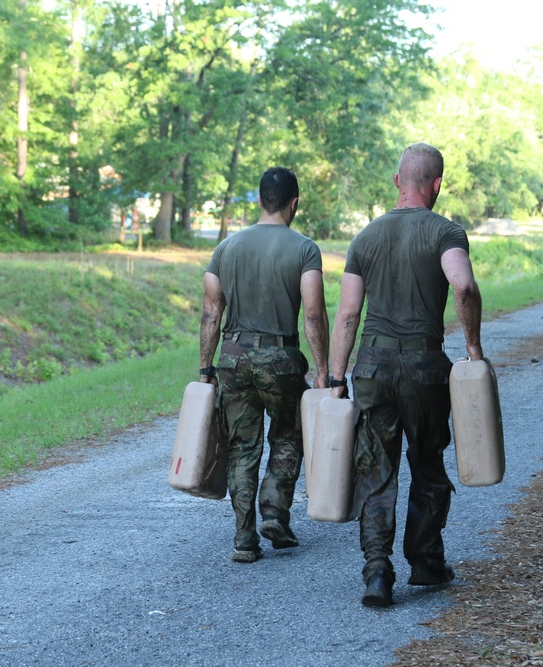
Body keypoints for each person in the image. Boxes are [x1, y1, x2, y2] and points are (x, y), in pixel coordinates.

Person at [329, 143, 483, 607]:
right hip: (425, 368)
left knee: (375, 469)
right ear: (436, 185)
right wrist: (473, 348)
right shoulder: (446, 232)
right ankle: (424, 561)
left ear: (398, 181)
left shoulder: (366, 236)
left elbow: (348, 315)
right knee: (428, 464)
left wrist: (337, 376)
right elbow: (465, 285)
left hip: (373, 367)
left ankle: (377, 571)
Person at [199, 166, 330, 563]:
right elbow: (313, 313)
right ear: (294, 203)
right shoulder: (304, 248)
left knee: (242, 446)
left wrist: (206, 369)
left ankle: (243, 538)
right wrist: (323, 370)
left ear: (259, 200)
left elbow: (210, 314)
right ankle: (273, 510)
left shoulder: (225, 248)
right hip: (282, 360)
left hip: (234, 358)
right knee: (290, 433)